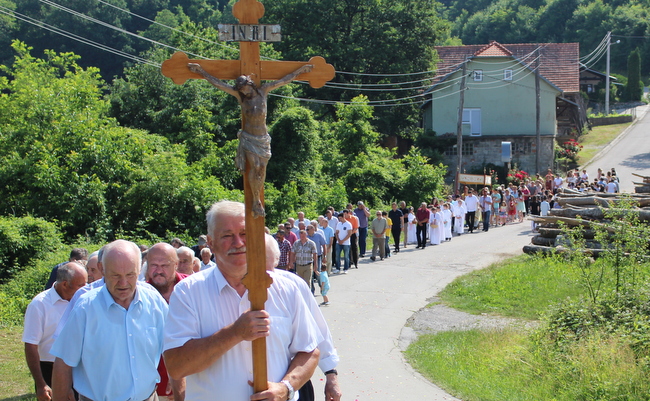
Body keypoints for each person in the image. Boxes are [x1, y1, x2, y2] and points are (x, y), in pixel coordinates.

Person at [163, 201, 322, 401]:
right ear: (210, 243)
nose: (238, 243)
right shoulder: (188, 292)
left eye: (244, 233)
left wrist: (286, 388)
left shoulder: (285, 289)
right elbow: (176, 366)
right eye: (227, 235)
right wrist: (234, 333)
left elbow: (309, 351)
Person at [188, 63, 313, 217]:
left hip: (262, 138)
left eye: (245, 88)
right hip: (249, 137)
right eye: (241, 90)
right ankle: (256, 200)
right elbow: (219, 84)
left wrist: (301, 70)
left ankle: (257, 198)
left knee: (262, 168)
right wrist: (201, 71)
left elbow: (284, 80)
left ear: (250, 84)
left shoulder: (263, 91)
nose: (244, 92)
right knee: (255, 166)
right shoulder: (241, 98)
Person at [51, 240, 168, 401]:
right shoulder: (85, 308)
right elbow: (63, 363)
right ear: (102, 269)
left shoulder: (154, 301)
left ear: (140, 269)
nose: (123, 283)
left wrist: (176, 379)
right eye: (116, 275)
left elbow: (172, 345)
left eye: (130, 275)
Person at [263, 234, 341, 400]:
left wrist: (331, 375)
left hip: (294, 379)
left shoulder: (292, 285)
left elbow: (318, 330)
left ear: (276, 260)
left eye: (265, 261)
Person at [23, 263, 87, 401]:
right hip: (50, 369)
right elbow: (31, 345)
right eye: (81, 285)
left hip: (78, 369)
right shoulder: (39, 305)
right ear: (65, 284)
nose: (86, 288)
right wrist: (41, 384)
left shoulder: (83, 301)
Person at [146, 243, 188, 401]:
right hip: (153, 387)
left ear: (176, 264)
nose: (158, 271)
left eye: (164, 265)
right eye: (153, 265)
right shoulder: (138, 295)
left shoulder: (192, 289)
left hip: (193, 382)